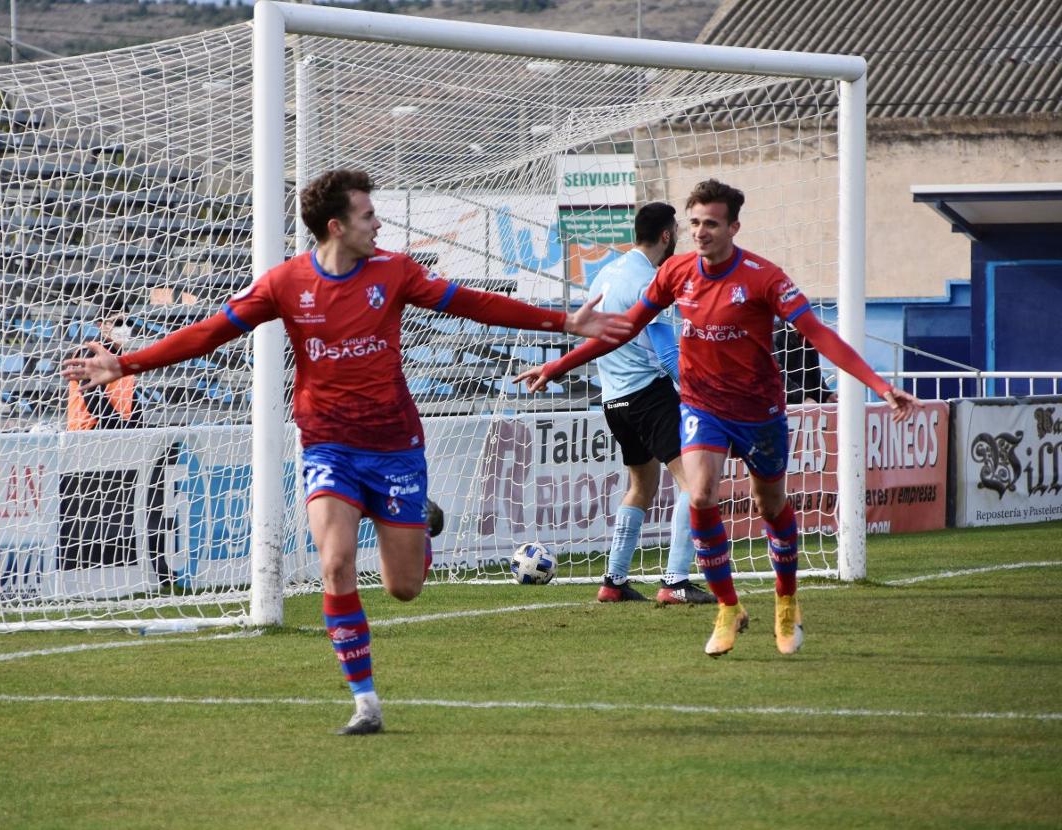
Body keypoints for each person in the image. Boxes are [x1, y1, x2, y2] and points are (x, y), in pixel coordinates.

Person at [62, 168, 631, 734]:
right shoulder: (286, 282)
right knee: (334, 563)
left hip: (394, 446)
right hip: (327, 443)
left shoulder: (395, 271)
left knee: (403, 588)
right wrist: (127, 362)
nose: (378, 223)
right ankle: (365, 703)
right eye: (367, 215)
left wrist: (562, 321)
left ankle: (419, 525)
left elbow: (472, 304)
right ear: (336, 227)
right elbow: (212, 331)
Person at [516, 178, 921, 658]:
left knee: (771, 506)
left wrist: (878, 385)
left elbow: (818, 334)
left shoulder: (764, 277)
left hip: (758, 413)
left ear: (733, 226)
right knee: (701, 494)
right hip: (702, 409)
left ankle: (786, 600)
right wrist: (556, 365)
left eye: (711, 223)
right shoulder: (674, 274)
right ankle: (726, 607)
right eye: (694, 224)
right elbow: (624, 330)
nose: (701, 232)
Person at [530, 202, 712, 606]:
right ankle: (676, 580)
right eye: (678, 232)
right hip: (649, 393)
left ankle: (613, 581)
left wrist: (559, 366)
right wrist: (700, 395)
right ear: (667, 235)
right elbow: (667, 356)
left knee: (640, 486)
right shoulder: (652, 280)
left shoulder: (604, 275)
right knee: (693, 484)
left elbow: (598, 340)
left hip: (614, 400)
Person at [67, 310, 139, 431]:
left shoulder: (124, 358)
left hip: (117, 429)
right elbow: (93, 399)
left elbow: (133, 401)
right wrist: (125, 429)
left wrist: (138, 430)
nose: (125, 328)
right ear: (101, 325)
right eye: (118, 323)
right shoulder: (89, 353)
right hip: (88, 431)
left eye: (129, 322)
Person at [774, 321, 837, 405]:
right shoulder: (776, 334)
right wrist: (802, 399)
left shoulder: (808, 335)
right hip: (786, 403)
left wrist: (827, 394)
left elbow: (814, 371)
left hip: (809, 401)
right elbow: (776, 374)